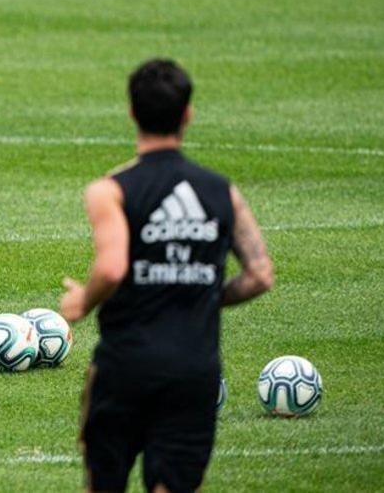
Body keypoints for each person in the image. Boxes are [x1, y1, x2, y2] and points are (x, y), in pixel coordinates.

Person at [59, 59, 275, 492]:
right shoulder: (221, 192)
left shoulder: (112, 190)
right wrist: (204, 292)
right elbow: (260, 275)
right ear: (188, 114)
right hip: (194, 371)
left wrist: (82, 302)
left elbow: (113, 266)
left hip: (125, 368)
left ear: (132, 113)